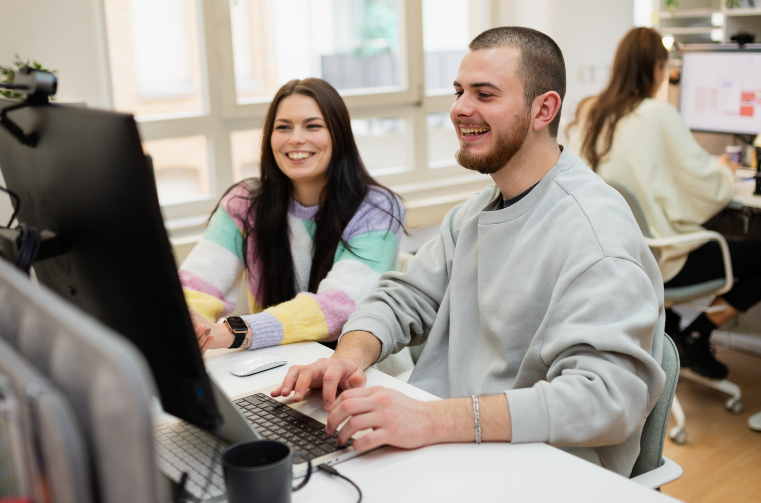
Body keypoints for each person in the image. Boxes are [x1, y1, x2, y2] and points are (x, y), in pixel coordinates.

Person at [272, 27, 666, 477]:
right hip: (453, 443)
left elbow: (604, 400)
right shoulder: (473, 213)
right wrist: (348, 356)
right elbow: (403, 297)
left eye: (485, 94)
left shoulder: (595, 234)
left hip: (541, 469)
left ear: (544, 109)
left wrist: (431, 419)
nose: (460, 108)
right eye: (459, 91)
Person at [563, 27, 761, 380]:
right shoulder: (657, 113)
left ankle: (687, 336)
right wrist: (726, 172)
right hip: (658, 262)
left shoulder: (591, 111)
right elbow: (706, 186)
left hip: (604, 257)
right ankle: (695, 334)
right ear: (657, 68)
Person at [180, 78, 405, 353]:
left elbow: (338, 307)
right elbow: (197, 285)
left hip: (367, 373)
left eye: (313, 126)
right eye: (283, 127)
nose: (296, 138)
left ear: (339, 135)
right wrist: (191, 324)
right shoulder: (244, 203)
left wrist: (233, 332)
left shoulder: (377, 209)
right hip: (274, 366)